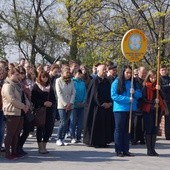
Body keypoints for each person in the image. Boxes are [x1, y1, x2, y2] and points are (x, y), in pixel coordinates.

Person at [111, 65, 142, 157]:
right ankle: (118, 150)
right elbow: (114, 96)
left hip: (131, 109)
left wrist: (134, 93)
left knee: (127, 130)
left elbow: (140, 94)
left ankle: (126, 149)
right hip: (120, 109)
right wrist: (127, 99)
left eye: (130, 73)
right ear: (123, 72)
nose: (129, 74)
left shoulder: (134, 82)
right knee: (119, 129)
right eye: (127, 72)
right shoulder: (117, 82)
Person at [1, 67, 30, 160]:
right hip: (11, 112)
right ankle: (7, 153)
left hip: (20, 112)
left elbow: (24, 96)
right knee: (10, 133)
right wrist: (23, 106)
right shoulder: (7, 85)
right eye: (16, 74)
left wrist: (27, 105)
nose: (19, 76)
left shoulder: (18, 85)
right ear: (11, 75)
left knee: (16, 133)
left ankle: (14, 152)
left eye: (19, 74)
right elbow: (11, 99)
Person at [83, 64, 114, 148]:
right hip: (96, 108)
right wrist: (101, 103)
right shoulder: (94, 81)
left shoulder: (107, 81)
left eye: (105, 70)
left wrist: (110, 103)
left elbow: (110, 93)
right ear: (98, 70)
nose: (105, 71)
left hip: (106, 107)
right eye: (103, 70)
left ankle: (104, 141)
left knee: (105, 124)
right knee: (96, 124)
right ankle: (95, 141)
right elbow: (94, 94)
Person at [31, 71, 56, 154]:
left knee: (49, 129)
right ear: (40, 77)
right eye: (43, 77)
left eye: (46, 77)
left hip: (49, 110)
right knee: (40, 128)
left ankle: (45, 144)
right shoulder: (36, 86)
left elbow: (53, 98)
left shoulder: (50, 86)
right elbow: (34, 99)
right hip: (40, 110)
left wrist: (51, 103)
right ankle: (40, 146)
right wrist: (43, 103)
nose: (45, 78)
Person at [142, 70, 165, 156]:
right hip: (148, 110)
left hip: (157, 110)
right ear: (148, 77)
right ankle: (149, 149)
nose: (153, 79)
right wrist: (152, 102)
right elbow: (143, 99)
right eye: (152, 77)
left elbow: (163, 97)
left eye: (155, 77)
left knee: (155, 129)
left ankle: (153, 149)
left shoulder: (158, 86)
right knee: (149, 129)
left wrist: (160, 90)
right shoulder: (146, 86)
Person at [55, 65, 75, 146]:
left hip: (70, 104)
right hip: (62, 105)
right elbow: (59, 93)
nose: (68, 74)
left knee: (66, 122)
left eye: (69, 72)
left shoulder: (71, 81)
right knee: (63, 122)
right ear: (62, 73)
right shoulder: (58, 80)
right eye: (66, 72)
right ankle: (58, 138)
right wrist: (65, 104)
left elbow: (73, 92)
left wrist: (70, 102)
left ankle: (63, 139)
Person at [70, 69, 86, 143]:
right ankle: (72, 136)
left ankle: (78, 137)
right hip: (73, 105)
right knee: (73, 121)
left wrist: (84, 101)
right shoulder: (71, 81)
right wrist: (75, 102)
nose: (80, 75)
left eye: (81, 73)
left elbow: (85, 92)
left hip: (82, 105)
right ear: (75, 73)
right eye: (79, 73)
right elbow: (71, 93)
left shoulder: (82, 82)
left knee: (80, 122)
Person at [132, 66, 147, 145]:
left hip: (144, 103)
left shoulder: (146, 80)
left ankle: (142, 138)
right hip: (136, 102)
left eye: (145, 73)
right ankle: (134, 138)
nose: (144, 74)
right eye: (142, 72)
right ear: (138, 72)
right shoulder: (134, 80)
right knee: (136, 122)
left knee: (142, 123)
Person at [159, 65, 170, 140]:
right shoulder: (158, 79)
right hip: (160, 100)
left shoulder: (169, 78)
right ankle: (154, 134)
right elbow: (160, 87)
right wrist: (168, 86)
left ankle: (168, 135)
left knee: (168, 119)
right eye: (162, 70)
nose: (164, 71)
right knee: (158, 118)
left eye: (165, 70)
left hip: (168, 100)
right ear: (159, 71)